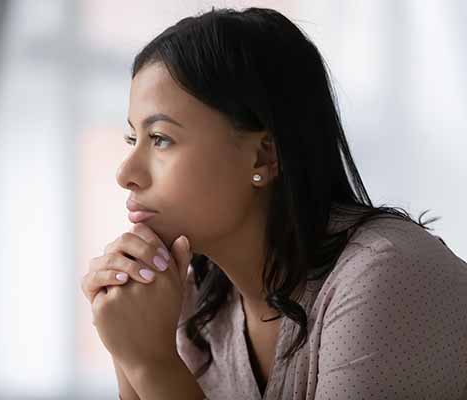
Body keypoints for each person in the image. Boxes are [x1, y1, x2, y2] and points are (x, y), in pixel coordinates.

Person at [80, 7, 467, 400]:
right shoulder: (188, 300)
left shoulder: (387, 276)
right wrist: (128, 348)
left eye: (160, 138)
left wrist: (152, 362)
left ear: (263, 156)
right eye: (133, 139)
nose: (125, 173)